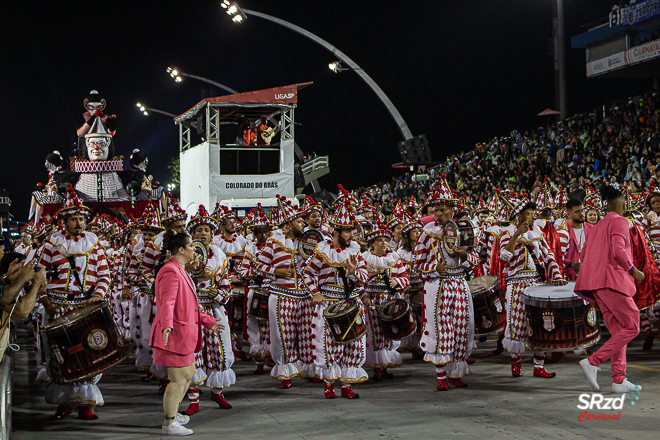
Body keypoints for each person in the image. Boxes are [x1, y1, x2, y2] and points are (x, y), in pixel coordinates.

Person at [38, 184, 110, 421]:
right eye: (74, 219)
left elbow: (104, 274)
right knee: (62, 356)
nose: (78, 223)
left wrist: (98, 294)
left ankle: (85, 404)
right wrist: (46, 302)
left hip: (85, 307)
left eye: (81, 218)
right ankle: (64, 403)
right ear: (64, 221)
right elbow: (39, 277)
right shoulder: (51, 244)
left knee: (88, 354)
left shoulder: (95, 243)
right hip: (58, 307)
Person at [150, 230, 225, 436]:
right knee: (177, 379)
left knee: (188, 374)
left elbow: (189, 305)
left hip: (184, 333)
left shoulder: (181, 269)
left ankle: (173, 414)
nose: (195, 248)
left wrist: (209, 321)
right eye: (191, 245)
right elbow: (168, 302)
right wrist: (166, 326)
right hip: (174, 334)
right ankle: (169, 422)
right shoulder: (170, 271)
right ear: (181, 250)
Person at [576, 185, 645, 394]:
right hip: (614, 282)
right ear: (616, 202)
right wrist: (634, 271)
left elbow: (583, 255)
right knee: (633, 326)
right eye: (624, 202)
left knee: (619, 332)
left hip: (597, 286)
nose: (625, 206)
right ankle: (594, 361)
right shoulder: (620, 221)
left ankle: (618, 380)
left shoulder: (596, 226)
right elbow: (618, 250)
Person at [413, 176, 480, 391]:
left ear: (452, 210)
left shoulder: (464, 230)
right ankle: (441, 377)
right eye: (436, 209)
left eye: (443, 209)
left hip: (459, 283)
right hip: (437, 285)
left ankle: (456, 373)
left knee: (462, 326)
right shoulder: (427, 234)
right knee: (441, 329)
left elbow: (477, 260)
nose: (439, 214)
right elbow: (417, 264)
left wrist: (465, 255)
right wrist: (434, 269)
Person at [302, 187, 369, 399]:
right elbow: (306, 274)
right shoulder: (322, 251)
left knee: (353, 343)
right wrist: (315, 293)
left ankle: (347, 386)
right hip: (329, 304)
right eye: (348, 231)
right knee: (330, 345)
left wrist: (353, 273)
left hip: (352, 303)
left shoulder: (356, 250)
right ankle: (329, 385)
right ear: (336, 232)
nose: (352, 235)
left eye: (352, 231)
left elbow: (364, 277)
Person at [499, 193, 567, 379]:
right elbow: (505, 257)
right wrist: (517, 234)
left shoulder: (537, 233)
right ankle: (516, 364)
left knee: (540, 323)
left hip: (536, 283)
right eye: (529, 214)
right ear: (519, 216)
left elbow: (549, 256)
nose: (532, 217)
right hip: (516, 284)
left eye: (532, 214)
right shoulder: (506, 234)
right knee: (517, 324)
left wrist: (557, 276)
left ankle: (539, 366)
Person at [256, 196, 313, 388]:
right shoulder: (274, 242)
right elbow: (258, 266)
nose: (303, 224)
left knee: (306, 334)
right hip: (282, 296)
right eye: (299, 221)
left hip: (304, 297)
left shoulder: (309, 241)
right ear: (288, 225)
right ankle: (285, 374)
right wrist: (276, 271)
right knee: (283, 336)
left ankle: (308, 369)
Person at [184, 205, 235, 414]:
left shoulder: (220, 255)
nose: (203, 233)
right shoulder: (184, 253)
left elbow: (227, 286)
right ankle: (194, 401)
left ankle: (217, 393)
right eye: (199, 230)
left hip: (214, 310)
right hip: (192, 312)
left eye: (206, 230)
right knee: (194, 354)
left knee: (219, 351)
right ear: (192, 233)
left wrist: (219, 294)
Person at [361, 221, 409, 379]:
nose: (384, 243)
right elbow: (358, 281)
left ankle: (384, 366)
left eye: (386, 240)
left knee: (389, 332)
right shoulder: (364, 259)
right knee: (375, 334)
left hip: (390, 300)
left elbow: (405, 277)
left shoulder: (394, 257)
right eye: (380, 240)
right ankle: (377, 369)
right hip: (373, 302)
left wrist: (398, 282)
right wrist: (365, 295)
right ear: (372, 242)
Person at [558, 199, 594, 282]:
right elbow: (558, 256)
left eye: (582, 210)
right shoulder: (563, 231)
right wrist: (573, 264)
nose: (581, 214)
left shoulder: (592, 229)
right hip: (569, 276)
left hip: (589, 275)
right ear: (569, 214)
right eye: (577, 212)